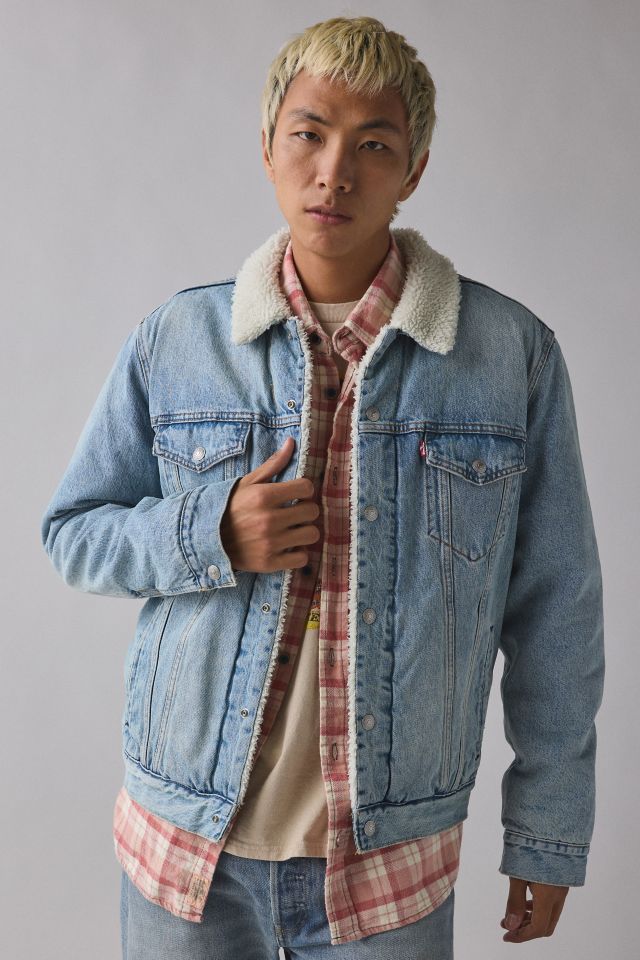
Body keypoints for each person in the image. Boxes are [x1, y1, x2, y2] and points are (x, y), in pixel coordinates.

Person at [40, 14, 605, 959]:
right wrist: (209, 533)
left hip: (388, 866)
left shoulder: (510, 357)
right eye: (309, 133)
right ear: (269, 147)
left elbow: (558, 612)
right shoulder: (178, 341)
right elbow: (73, 532)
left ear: (414, 169)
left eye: (373, 144)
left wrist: (548, 830)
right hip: (184, 849)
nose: (334, 171)